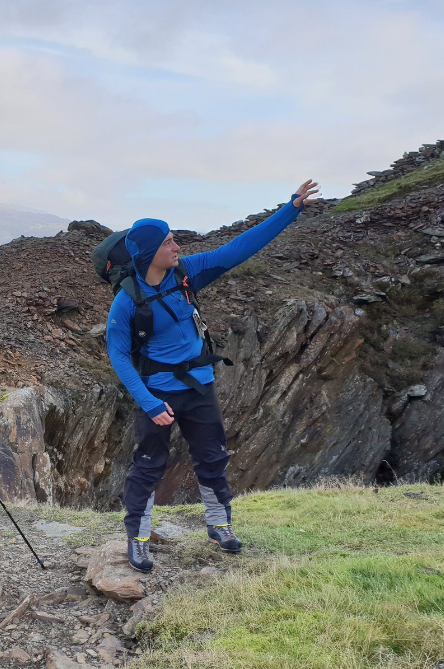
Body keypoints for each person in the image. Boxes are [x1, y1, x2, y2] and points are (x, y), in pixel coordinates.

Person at [107, 181, 319, 572]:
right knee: (148, 465)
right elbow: (118, 356)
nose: (177, 247)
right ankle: (138, 539)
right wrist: (150, 403)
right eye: (169, 242)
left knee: (212, 458)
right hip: (157, 392)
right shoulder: (126, 301)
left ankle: (220, 525)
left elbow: (238, 250)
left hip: (199, 387)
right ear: (152, 252)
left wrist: (291, 209)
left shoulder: (186, 274)